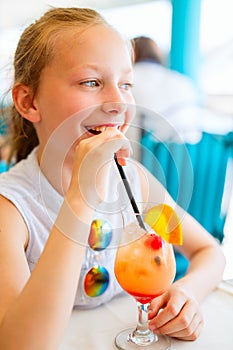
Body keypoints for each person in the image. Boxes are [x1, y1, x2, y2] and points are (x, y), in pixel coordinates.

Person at [0, 7, 225, 349]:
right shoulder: (12, 210)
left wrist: (186, 293)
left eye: (126, 84)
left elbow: (208, 250)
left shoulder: (135, 182)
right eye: (91, 82)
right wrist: (81, 196)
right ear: (29, 102)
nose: (119, 101)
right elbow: (20, 344)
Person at [131, 36, 201, 142]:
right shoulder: (184, 81)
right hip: (190, 153)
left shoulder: (128, 79)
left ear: (133, 53)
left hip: (147, 152)